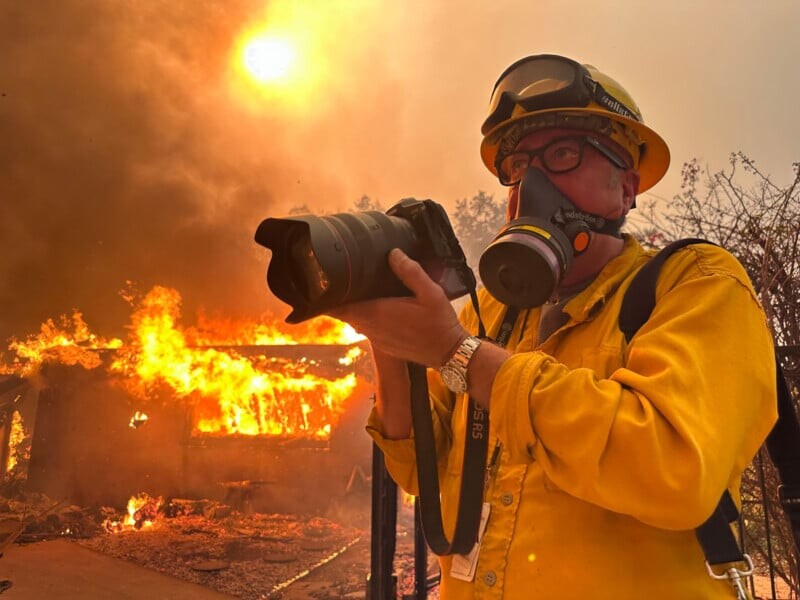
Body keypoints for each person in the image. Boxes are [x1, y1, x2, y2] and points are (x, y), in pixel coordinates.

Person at [330, 54, 778, 598]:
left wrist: (460, 354)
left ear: (627, 188)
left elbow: (674, 472)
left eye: (562, 154)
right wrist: (390, 335)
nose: (529, 187)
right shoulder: (489, 316)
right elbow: (418, 469)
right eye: (517, 168)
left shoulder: (696, 285)